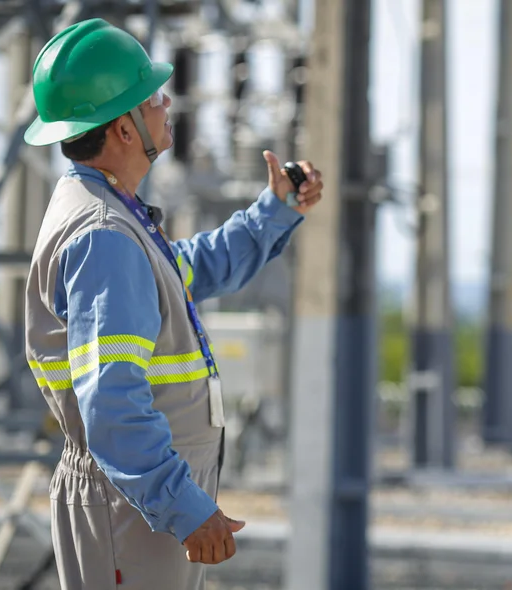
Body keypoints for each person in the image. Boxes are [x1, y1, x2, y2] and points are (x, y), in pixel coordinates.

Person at [22, 18, 323, 590]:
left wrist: (272, 213)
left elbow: (192, 267)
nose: (166, 107)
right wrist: (184, 507)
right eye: (152, 98)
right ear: (124, 129)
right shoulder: (104, 235)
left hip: (135, 500)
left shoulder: (115, 216)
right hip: (131, 507)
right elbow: (112, 402)